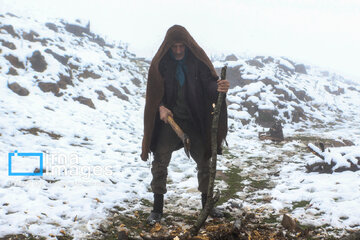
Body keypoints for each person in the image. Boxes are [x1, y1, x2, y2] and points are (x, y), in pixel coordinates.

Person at [141, 25, 229, 224]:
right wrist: (161, 107)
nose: (179, 50)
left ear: (187, 45)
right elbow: (155, 93)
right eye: (175, 47)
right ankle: (157, 208)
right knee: (160, 160)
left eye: (182, 46)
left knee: (205, 160)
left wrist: (218, 87)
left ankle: (208, 205)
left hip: (194, 121)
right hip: (170, 123)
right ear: (168, 46)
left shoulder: (196, 62)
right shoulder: (161, 64)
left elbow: (208, 84)